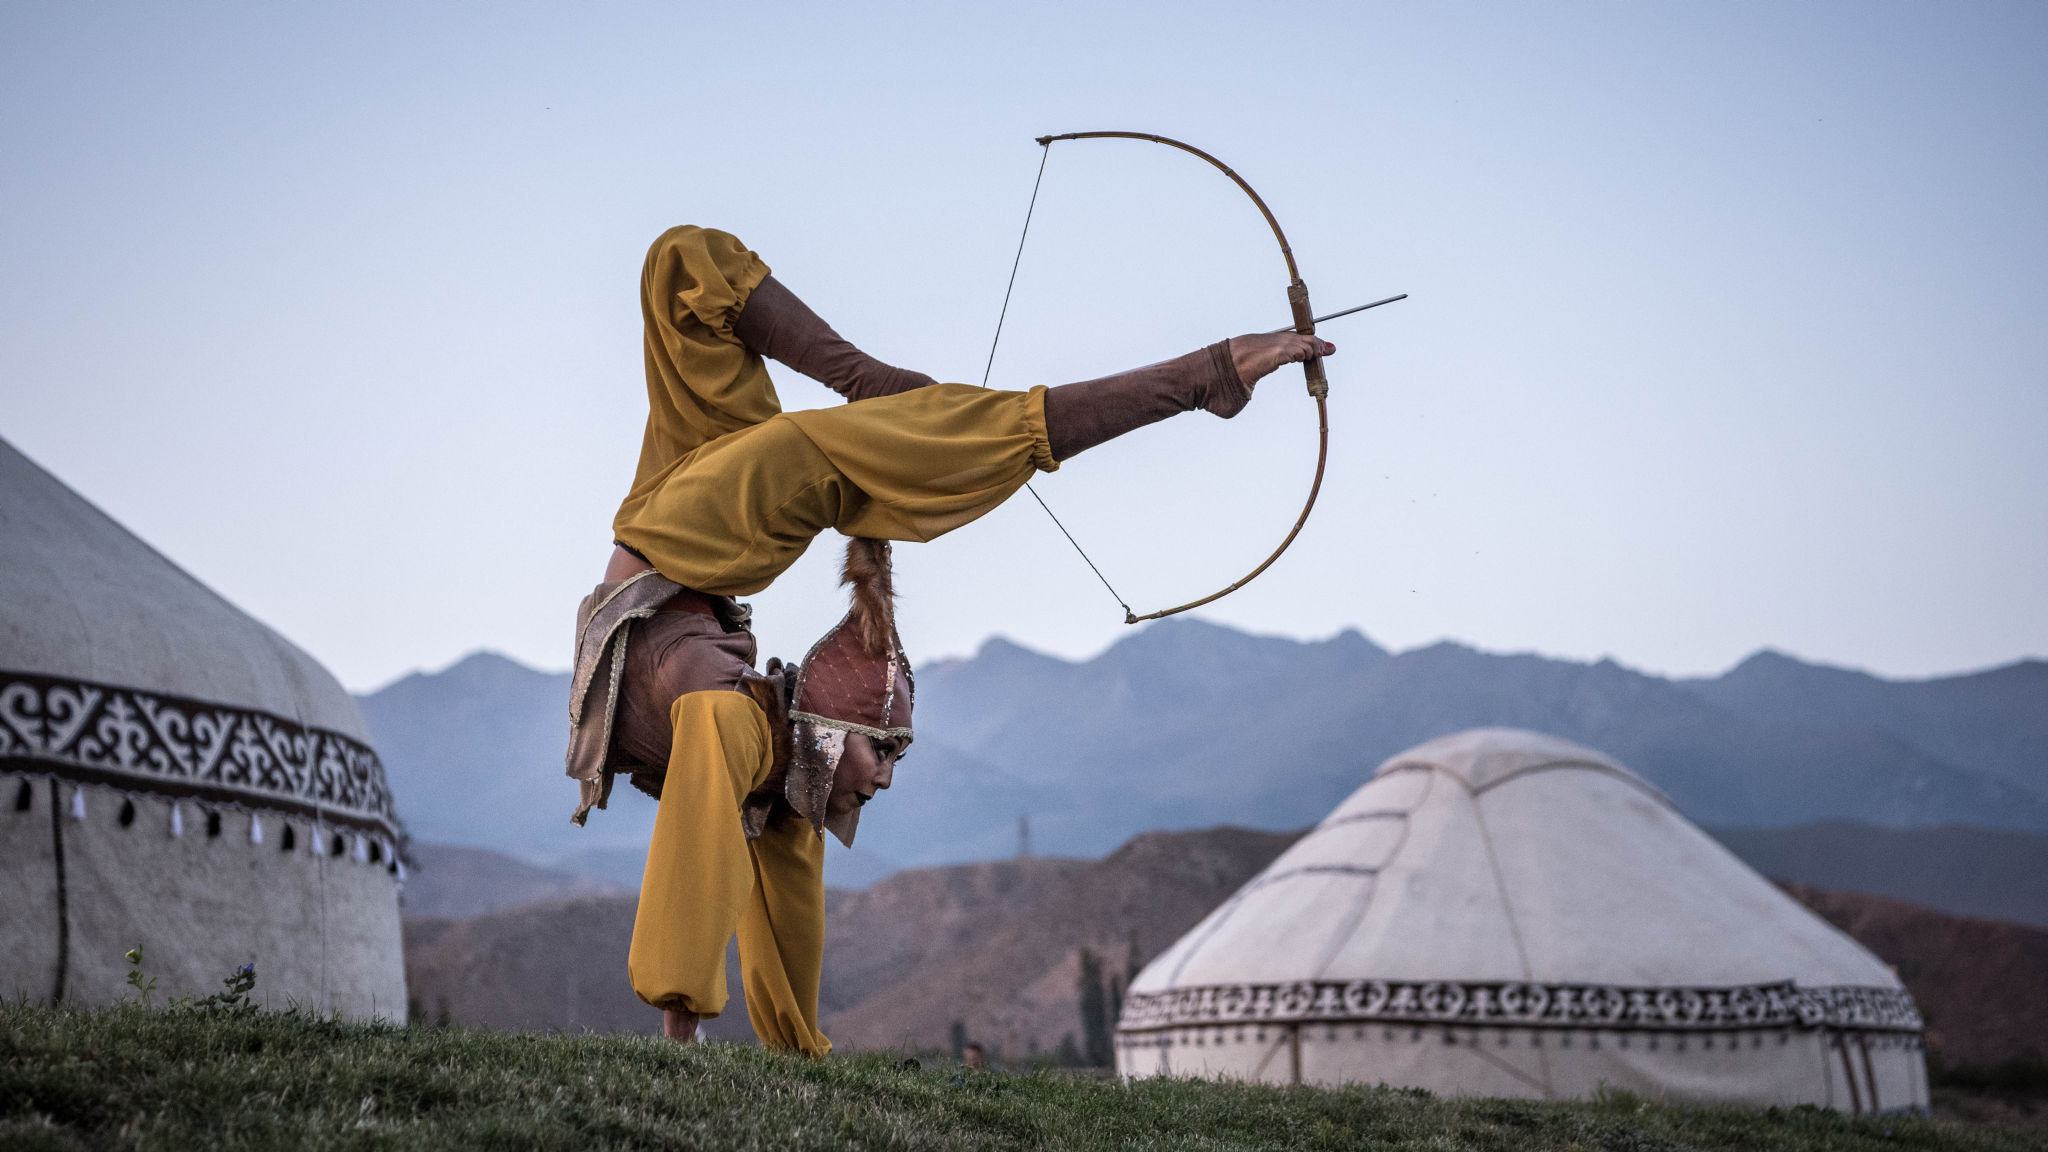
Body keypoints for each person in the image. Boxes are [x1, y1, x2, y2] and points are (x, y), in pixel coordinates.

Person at [565, 225, 1333, 1055]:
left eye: (890, 754)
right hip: (686, 549)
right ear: (838, 730)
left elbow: (759, 808)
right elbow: (717, 735)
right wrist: (679, 1015)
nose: (888, 779)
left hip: (679, 563)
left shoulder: (767, 743)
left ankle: (793, 1044)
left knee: (698, 284)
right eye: (888, 749)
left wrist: (793, 1049)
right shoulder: (747, 696)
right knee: (856, 409)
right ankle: (1198, 378)